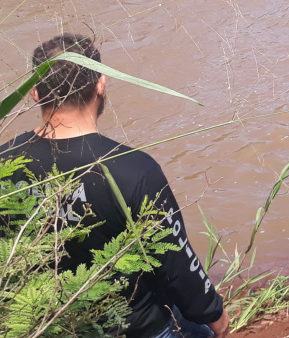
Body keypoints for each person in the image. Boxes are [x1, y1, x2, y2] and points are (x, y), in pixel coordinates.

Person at [0, 34, 229, 338]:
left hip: (41, 326)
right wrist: (215, 316)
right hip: (136, 328)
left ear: (35, 94)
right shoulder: (134, 170)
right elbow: (176, 262)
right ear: (101, 85)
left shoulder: (5, 162)